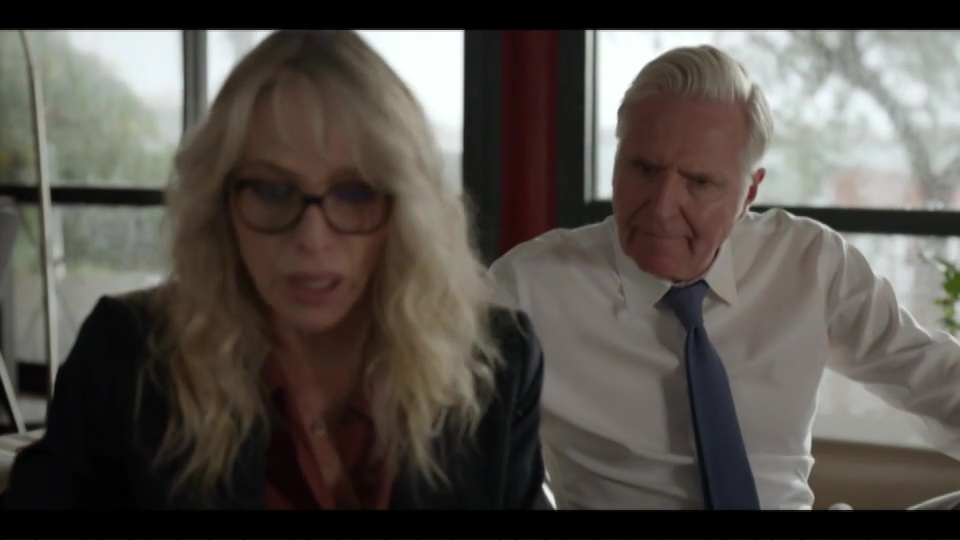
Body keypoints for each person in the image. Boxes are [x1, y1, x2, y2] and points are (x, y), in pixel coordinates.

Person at [4, 30, 551, 510]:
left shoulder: (495, 366)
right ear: (220, 203)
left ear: (407, 211)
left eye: (353, 193)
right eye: (271, 191)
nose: (311, 237)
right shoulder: (128, 360)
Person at [489, 44, 960, 510]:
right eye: (644, 169)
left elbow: (932, 377)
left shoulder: (809, 262)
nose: (662, 207)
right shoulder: (528, 287)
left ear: (749, 192)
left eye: (699, 182)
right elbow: (463, 457)